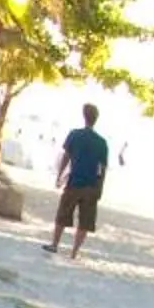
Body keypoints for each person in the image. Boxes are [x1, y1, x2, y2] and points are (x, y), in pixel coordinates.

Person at [47, 102, 112, 259]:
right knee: (85, 221)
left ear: (84, 117)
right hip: (91, 186)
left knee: (63, 214)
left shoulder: (74, 134)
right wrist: (100, 188)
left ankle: (55, 244)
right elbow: (102, 169)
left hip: (74, 182)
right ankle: (74, 252)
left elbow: (66, 157)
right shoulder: (102, 143)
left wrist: (59, 176)